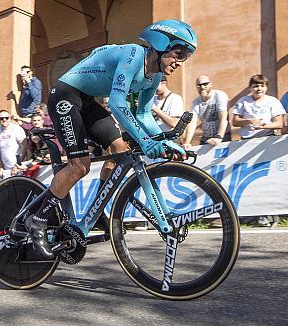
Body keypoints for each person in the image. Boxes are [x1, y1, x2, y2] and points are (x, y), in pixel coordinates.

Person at [26, 19, 196, 258]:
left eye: (185, 57)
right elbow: (117, 104)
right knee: (79, 166)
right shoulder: (133, 55)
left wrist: (164, 140)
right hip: (65, 95)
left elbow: (144, 115)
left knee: (119, 151)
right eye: (178, 53)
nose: (180, 62)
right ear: (160, 45)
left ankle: (95, 212)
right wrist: (147, 142)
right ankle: (38, 219)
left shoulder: (154, 77)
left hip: (87, 101)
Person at [232, 74, 286, 139]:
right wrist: (249, 121)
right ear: (250, 88)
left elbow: (279, 124)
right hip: (246, 139)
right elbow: (235, 122)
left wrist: (263, 126)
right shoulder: (243, 101)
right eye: (256, 86)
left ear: (266, 88)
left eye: (262, 86)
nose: (259, 89)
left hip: (267, 138)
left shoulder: (273, 101)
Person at [183, 75, 230, 148]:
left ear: (210, 84)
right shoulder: (196, 102)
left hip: (223, 136)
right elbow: (192, 123)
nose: (202, 87)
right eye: (199, 85)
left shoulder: (219, 96)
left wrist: (219, 137)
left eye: (205, 84)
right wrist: (187, 143)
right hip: (206, 138)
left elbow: (223, 117)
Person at [0, 111, 27, 179]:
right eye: (1, 118)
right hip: (6, 169)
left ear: (10, 118)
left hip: (18, 168)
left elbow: (24, 147)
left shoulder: (16, 128)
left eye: (6, 118)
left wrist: (17, 165)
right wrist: (1, 167)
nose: (4, 120)